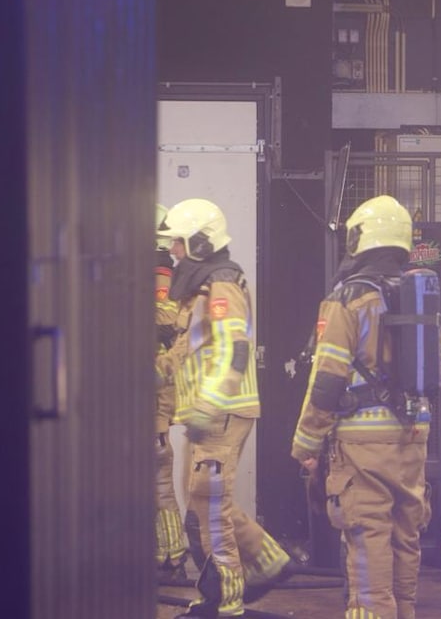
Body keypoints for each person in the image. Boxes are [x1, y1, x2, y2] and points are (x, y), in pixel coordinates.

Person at [291, 195, 441, 619]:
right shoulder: (421, 295)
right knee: (405, 533)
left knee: (367, 534)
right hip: (414, 434)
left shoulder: (348, 298)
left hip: (361, 439)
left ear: (359, 240)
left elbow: (327, 379)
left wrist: (305, 443)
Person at [157, 198, 291, 618]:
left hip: (224, 411)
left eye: (177, 243)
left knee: (211, 508)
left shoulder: (222, 285)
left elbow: (235, 349)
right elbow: (185, 349)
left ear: (197, 243)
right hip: (208, 412)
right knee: (203, 502)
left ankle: (228, 601)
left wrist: (209, 405)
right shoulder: (200, 288)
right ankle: (266, 562)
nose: (173, 251)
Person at [153, 203, 189, 583]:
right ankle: (164, 552)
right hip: (146, 388)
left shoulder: (159, 264)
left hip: (154, 390)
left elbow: (164, 319)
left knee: (158, 473)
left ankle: (172, 556)